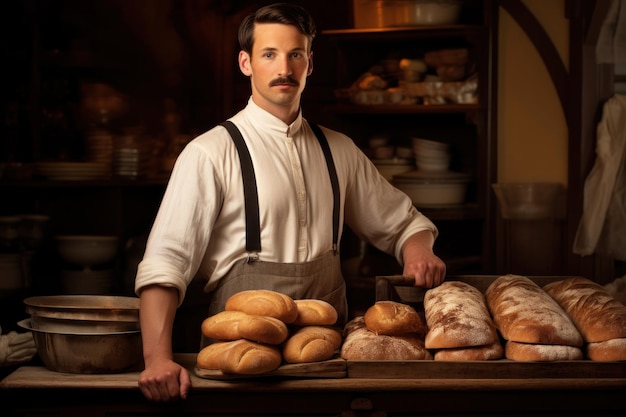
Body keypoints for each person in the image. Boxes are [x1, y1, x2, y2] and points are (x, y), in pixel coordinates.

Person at [135, 2, 446, 402]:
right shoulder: (210, 152)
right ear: (246, 63)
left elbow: (403, 223)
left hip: (327, 365)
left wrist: (417, 249)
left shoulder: (340, 150)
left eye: (295, 54)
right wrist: (157, 359)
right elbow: (165, 264)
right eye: (269, 54)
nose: (284, 68)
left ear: (309, 63)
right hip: (237, 367)